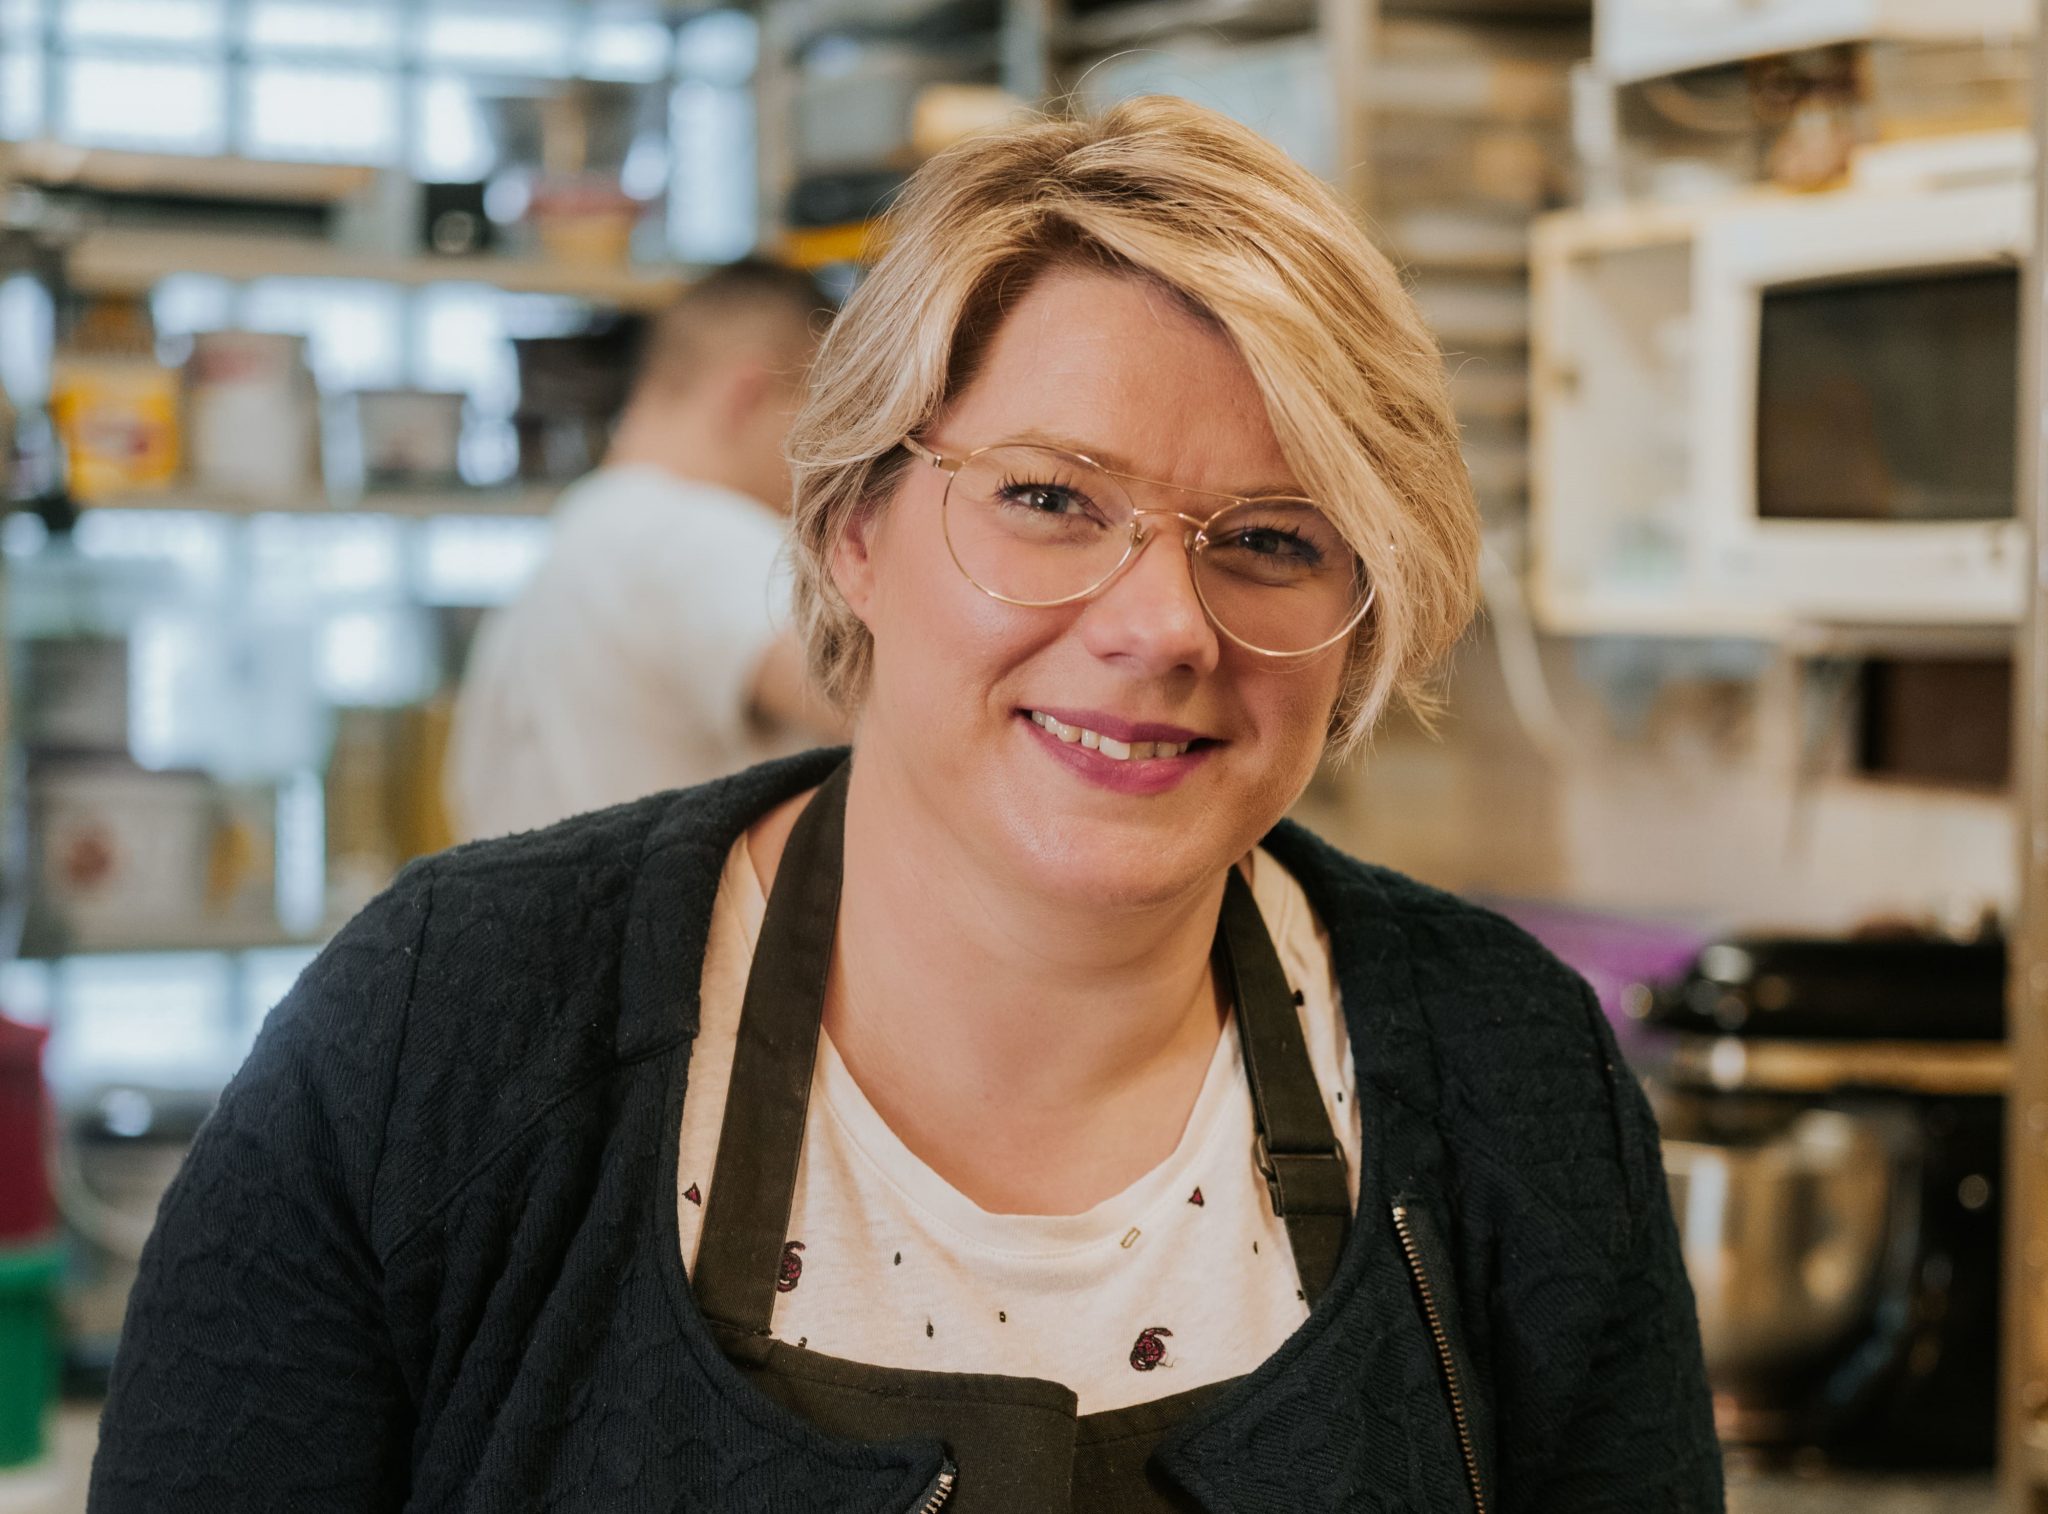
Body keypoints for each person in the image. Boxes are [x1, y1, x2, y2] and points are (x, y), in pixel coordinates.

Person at [91, 98, 1723, 1512]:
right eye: (1045, 499)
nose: (1159, 623)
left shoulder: (1508, 1074)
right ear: (849, 528)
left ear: (1362, 614)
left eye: (1273, 538)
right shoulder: (437, 1035)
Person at [446, 258, 840, 840]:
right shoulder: (691, 534)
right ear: (745, 397)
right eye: (828, 419)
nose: (836, 461)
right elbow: (876, 703)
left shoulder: (579, 539)